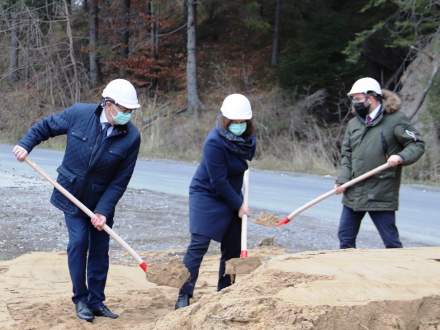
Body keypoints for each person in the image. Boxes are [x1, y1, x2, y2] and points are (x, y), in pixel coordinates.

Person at [12, 79, 141, 322]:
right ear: (108, 103)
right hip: (71, 193)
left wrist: (103, 211)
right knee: (79, 243)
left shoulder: (131, 137)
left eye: (130, 111)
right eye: (123, 110)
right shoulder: (79, 114)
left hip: (102, 200)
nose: (127, 115)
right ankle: (80, 299)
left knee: (100, 251)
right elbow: (46, 127)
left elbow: (120, 180)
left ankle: (96, 301)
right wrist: (25, 145)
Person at [175, 94, 256, 309]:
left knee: (233, 247)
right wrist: (238, 206)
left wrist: (238, 201)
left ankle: (225, 291)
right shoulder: (214, 143)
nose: (238, 126)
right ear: (225, 120)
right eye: (234, 122)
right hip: (207, 194)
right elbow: (217, 181)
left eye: (242, 122)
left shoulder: (249, 140)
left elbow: (244, 165)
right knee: (199, 244)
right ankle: (184, 293)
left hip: (232, 193)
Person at [335, 77, 425, 249]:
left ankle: (400, 273)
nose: (355, 103)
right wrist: (342, 180)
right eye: (353, 99)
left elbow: (417, 143)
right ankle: (348, 274)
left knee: (390, 241)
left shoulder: (395, 120)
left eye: (358, 99)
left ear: (372, 98)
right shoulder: (354, 124)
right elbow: (346, 155)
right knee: (345, 238)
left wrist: (401, 157)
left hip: (380, 192)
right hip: (354, 192)